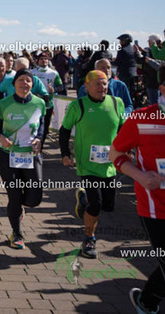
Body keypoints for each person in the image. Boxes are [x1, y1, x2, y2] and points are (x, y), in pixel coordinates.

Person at [109, 59, 165, 314]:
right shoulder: (142, 118)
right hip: (158, 211)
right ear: (163, 89)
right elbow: (116, 153)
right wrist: (138, 175)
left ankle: (147, 301)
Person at [59, 71, 125, 259]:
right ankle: (89, 239)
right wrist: (65, 154)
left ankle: (83, 199)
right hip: (87, 164)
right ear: (86, 86)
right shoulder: (78, 105)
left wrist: (128, 149)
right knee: (96, 205)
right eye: (97, 84)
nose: (101, 87)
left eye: (104, 83)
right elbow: (64, 131)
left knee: (108, 206)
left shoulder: (116, 103)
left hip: (109, 163)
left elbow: (123, 128)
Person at [0, 69, 46, 249]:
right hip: (8, 155)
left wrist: (39, 139)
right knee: (14, 195)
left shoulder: (39, 103)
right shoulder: (4, 104)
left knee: (34, 199)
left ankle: (18, 209)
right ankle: (16, 233)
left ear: (33, 84)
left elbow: (42, 126)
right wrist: (0, 137)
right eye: (21, 80)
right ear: (14, 83)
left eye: (28, 81)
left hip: (31, 156)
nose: (25, 84)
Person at [31, 53, 64, 147]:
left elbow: (61, 86)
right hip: (33, 103)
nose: (44, 61)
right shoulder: (32, 72)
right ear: (37, 61)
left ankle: (40, 147)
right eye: (41, 59)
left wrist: (54, 90)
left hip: (48, 104)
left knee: (45, 127)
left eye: (46, 59)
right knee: (33, 125)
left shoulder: (53, 73)